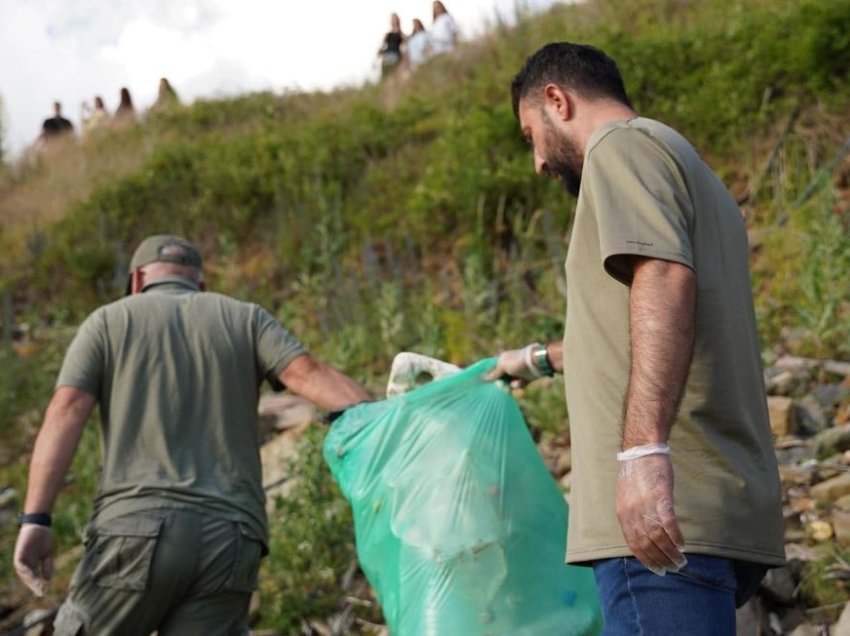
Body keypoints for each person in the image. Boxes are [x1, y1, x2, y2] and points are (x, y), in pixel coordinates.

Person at [487, 42, 785, 634]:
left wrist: (642, 456)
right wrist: (537, 360)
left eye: (531, 137)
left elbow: (663, 276)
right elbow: (653, 326)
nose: (539, 164)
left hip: (657, 524)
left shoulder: (616, 146)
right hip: (714, 508)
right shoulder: (692, 172)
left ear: (557, 100)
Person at [13, 235, 372, 635]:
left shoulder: (107, 321)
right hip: (232, 539)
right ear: (201, 285)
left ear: (136, 281)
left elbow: (67, 410)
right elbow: (308, 374)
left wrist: (36, 519)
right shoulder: (246, 318)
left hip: (136, 529)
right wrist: (392, 424)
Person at [378, 13, 405, 79]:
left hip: (395, 54)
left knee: (393, 72)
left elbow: (405, 43)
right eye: (392, 19)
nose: (393, 21)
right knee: (386, 73)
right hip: (387, 54)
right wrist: (380, 50)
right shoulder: (388, 34)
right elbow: (382, 45)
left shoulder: (400, 33)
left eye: (394, 19)